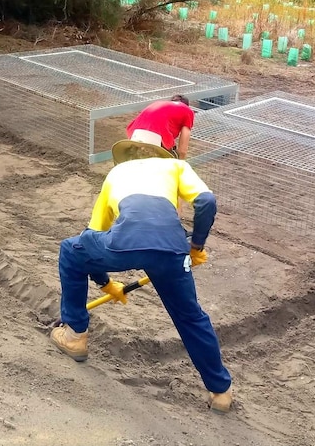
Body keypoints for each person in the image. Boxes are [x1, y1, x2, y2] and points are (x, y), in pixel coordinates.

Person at [50, 139, 233, 412]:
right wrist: (196, 245)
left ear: (126, 157)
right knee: (190, 316)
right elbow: (206, 201)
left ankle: (75, 335)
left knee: (70, 250)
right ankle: (220, 392)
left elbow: (90, 239)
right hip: (171, 249)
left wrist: (105, 282)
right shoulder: (175, 166)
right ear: (161, 154)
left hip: (124, 245)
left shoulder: (116, 174)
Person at [126, 95, 194, 159]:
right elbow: (182, 150)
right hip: (156, 137)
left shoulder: (158, 103)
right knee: (172, 160)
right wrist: (181, 163)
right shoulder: (187, 111)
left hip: (134, 135)